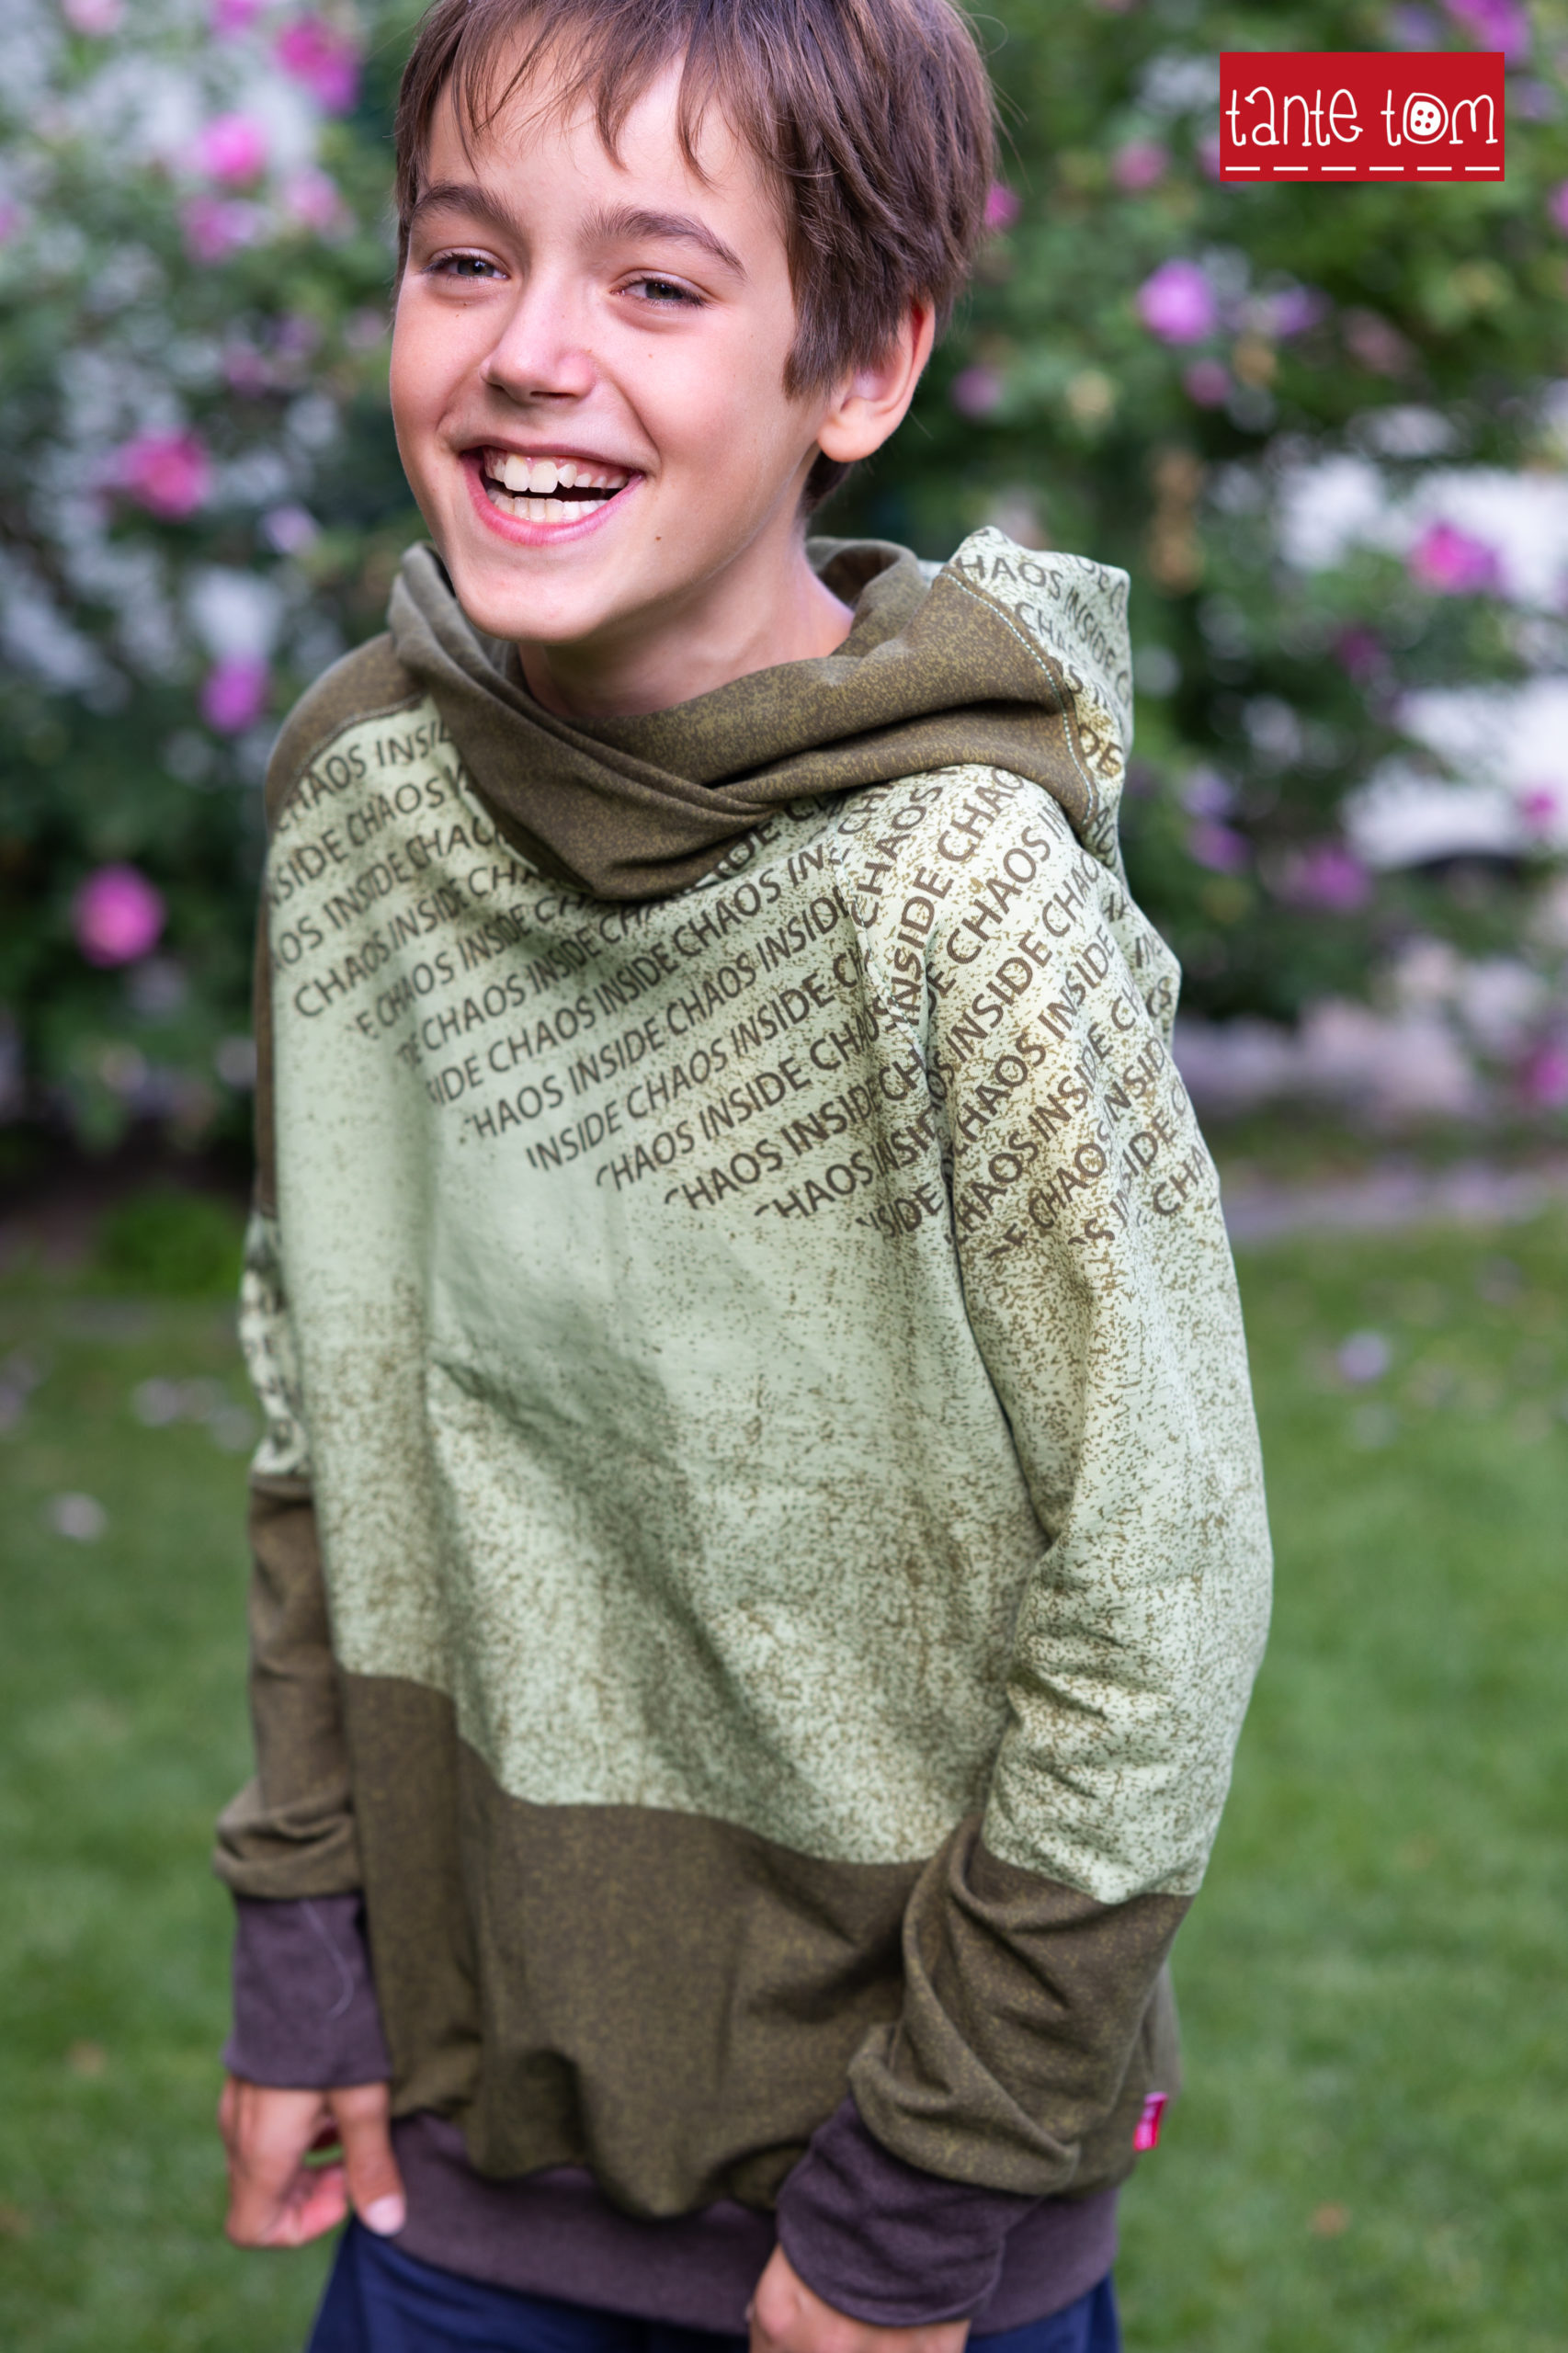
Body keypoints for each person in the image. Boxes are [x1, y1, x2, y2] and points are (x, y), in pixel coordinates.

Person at [212, 1, 1273, 2347]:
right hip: (456, 2178)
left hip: (897, 2218)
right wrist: (303, 1930)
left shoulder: (961, 902)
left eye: (658, 282)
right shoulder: (359, 797)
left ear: (859, 364)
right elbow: (323, 1408)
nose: (530, 351)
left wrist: (931, 2178)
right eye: (465, 258)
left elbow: (1164, 1582)